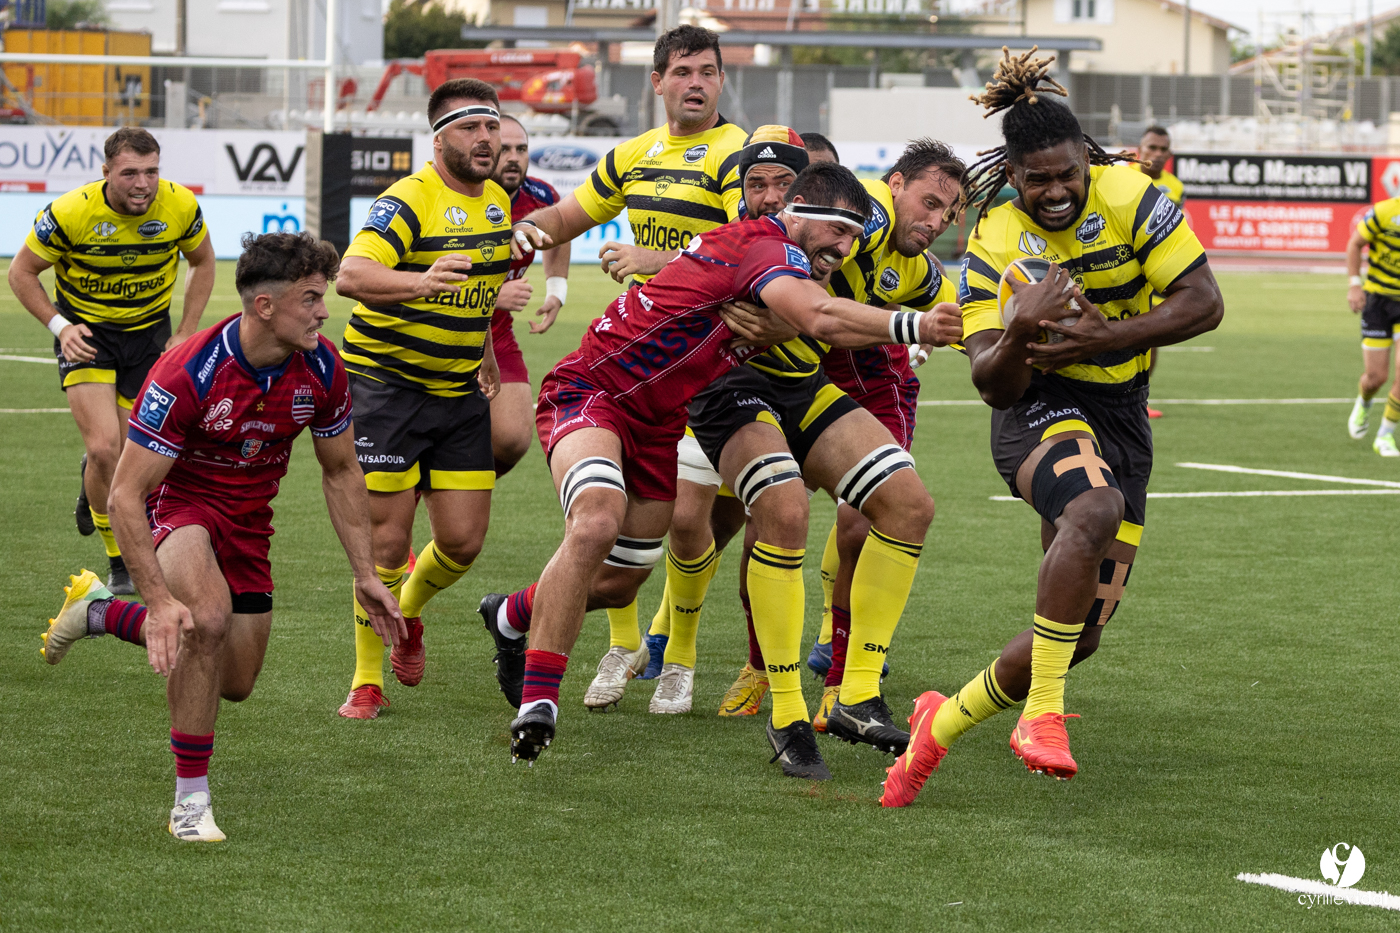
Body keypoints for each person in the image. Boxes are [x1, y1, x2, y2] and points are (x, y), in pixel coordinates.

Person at [494, 162, 961, 781]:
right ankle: (547, 702)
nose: (847, 249)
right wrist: (915, 325)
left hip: (703, 407)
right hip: (630, 392)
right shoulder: (775, 243)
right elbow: (819, 313)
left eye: (855, 237)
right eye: (839, 232)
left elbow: (819, 300)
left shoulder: (868, 248)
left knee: (620, 582)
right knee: (625, 522)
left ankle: (512, 614)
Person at [881, 49, 1222, 808]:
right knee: (1094, 509)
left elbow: (1205, 302)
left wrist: (1108, 337)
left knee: (1079, 632)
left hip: (1122, 409)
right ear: (1012, 175)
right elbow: (989, 382)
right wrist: (1016, 331)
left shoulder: (1131, 194)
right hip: (1035, 404)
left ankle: (939, 724)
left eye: (1068, 173)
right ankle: (1041, 713)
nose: (1057, 190)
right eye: (1038, 179)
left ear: (1086, 161)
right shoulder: (995, 241)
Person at [39, 231, 403, 841]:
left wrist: (365, 573)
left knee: (234, 682)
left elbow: (342, 471)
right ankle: (190, 802)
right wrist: (159, 598)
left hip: (250, 522)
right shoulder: (188, 372)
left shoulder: (323, 367)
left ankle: (99, 612)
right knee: (204, 620)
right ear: (265, 306)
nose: (324, 311)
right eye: (311, 298)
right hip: (177, 503)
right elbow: (124, 494)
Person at [497, 23, 749, 699]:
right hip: (642, 357)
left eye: (707, 71)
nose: (695, 83)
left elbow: (743, 255)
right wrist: (521, 234)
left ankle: (680, 658)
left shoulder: (736, 155)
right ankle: (610, 644)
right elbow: (567, 216)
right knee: (614, 530)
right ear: (658, 81)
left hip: (716, 359)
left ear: (721, 81)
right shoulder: (634, 154)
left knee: (692, 523)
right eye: (683, 71)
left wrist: (652, 260)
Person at [581, 125, 807, 714]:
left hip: (766, 393)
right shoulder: (723, 222)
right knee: (644, 514)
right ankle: (632, 646)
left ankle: (683, 655)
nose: (770, 195)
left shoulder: (810, 232)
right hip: (685, 377)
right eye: (758, 183)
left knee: (713, 524)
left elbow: (822, 303)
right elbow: (709, 259)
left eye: (784, 182)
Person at [333, 78, 512, 719]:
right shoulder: (408, 199)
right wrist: (420, 282)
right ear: (438, 139)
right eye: (470, 128)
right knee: (387, 544)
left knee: (463, 542)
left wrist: (484, 349)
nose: (485, 139)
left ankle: (405, 612)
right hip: (386, 389)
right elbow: (350, 274)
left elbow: (479, 291)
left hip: (458, 391)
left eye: (491, 126)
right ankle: (366, 680)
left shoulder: (498, 202)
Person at [8, 127, 216, 595]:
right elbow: (20, 272)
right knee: (106, 449)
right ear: (106, 173)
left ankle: (93, 483)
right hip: (88, 335)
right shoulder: (70, 212)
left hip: (149, 337)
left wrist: (186, 330)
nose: (143, 184)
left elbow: (203, 261)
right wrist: (60, 327)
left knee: (132, 456)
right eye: (130, 173)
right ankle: (118, 558)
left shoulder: (180, 205)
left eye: (151, 172)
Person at [489, 114, 571, 475]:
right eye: (504, 149)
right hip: (444, 331)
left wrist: (556, 289)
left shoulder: (540, 196)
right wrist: (492, 296)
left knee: (512, 439)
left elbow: (561, 231)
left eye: (521, 149)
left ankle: (456, 491)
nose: (513, 158)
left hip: (497, 333)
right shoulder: (462, 199)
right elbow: (423, 275)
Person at [1133, 126, 1184, 420]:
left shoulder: (1175, 186)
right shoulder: (1122, 176)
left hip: (1155, 269)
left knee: (1150, 336)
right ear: (1139, 150)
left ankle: (1140, 398)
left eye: (1163, 149)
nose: (1157, 153)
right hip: (1122, 266)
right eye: (1151, 147)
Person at [1345, 197, 1400, 456]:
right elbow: (1355, 244)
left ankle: (1385, 435)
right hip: (1378, 302)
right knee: (1376, 378)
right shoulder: (1385, 212)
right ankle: (1364, 401)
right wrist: (1355, 285)